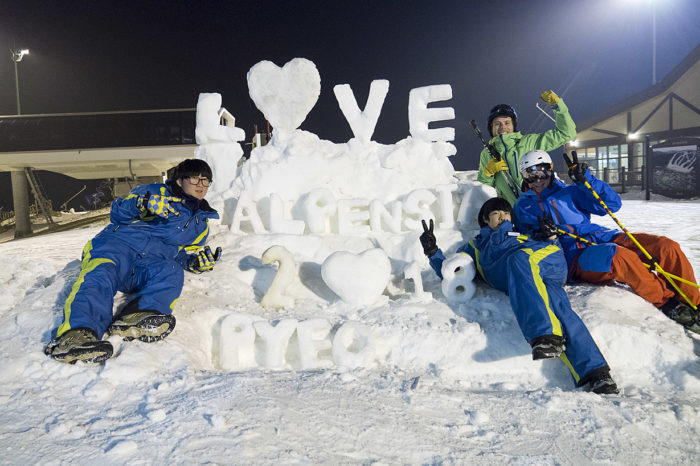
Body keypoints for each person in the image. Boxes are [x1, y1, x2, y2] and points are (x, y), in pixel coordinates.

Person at [419, 198, 618, 394]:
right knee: (560, 311)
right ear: (485, 220)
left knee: (520, 258)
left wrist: (551, 237)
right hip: (528, 280)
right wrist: (433, 253)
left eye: (506, 213)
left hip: (547, 262)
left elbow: (551, 249)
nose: (502, 217)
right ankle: (597, 374)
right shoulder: (475, 247)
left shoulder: (523, 236)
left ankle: (545, 336)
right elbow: (454, 272)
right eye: (496, 214)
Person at [44, 159, 222, 364]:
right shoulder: (154, 192)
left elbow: (179, 253)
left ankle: (137, 316)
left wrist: (194, 263)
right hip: (116, 248)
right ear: (179, 181)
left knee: (172, 270)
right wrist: (142, 204)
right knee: (100, 276)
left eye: (205, 180)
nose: (201, 185)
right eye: (195, 179)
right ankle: (76, 335)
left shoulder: (201, 225)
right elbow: (118, 213)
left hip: (147, 265)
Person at [513, 149, 700, 332]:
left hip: (600, 236)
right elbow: (524, 239)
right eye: (530, 175)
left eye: (542, 173)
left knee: (665, 246)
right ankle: (668, 304)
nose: (537, 180)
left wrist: (587, 181)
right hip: (573, 256)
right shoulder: (523, 206)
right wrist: (541, 236)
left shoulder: (570, 192)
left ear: (551, 170)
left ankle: (694, 302)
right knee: (619, 257)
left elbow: (612, 204)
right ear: (523, 176)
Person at [477, 90, 576, 206]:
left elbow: (566, 133)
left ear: (513, 125)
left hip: (539, 208)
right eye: (497, 124)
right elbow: (483, 190)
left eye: (507, 123)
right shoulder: (486, 153)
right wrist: (487, 173)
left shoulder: (529, 142)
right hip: (511, 213)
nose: (502, 127)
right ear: (491, 127)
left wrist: (558, 106)